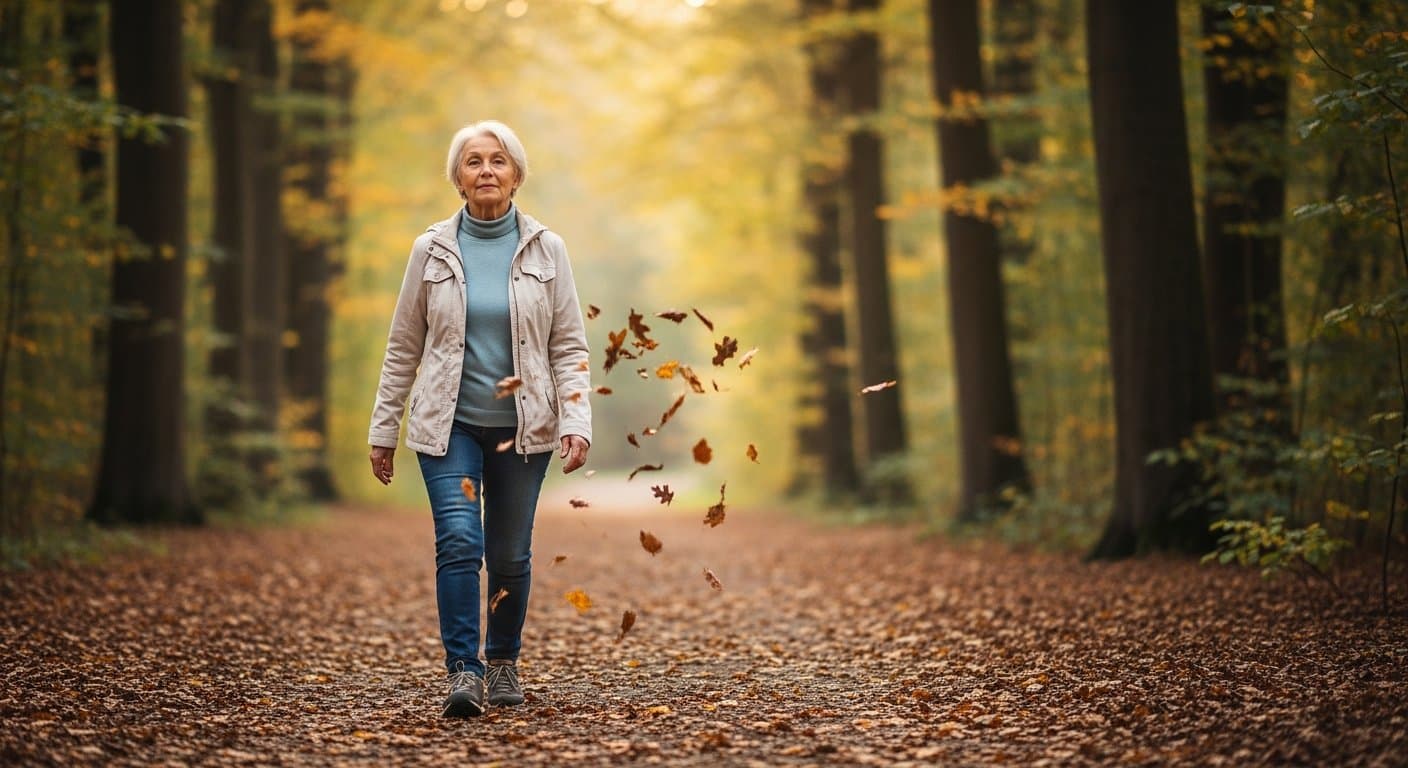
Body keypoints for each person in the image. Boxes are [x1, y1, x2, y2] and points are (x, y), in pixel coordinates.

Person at [367, 120, 592, 717]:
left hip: (525, 429)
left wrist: (577, 420)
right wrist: (383, 430)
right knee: (460, 542)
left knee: (510, 554)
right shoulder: (431, 249)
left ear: (516, 175)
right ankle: (463, 671)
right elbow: (403, 346)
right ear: (458, 178)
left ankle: (502, 663)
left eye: (498, 160)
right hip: (449, 428)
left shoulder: (548, 249)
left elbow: (568, 346)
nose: (486, 170)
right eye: (473, 162)